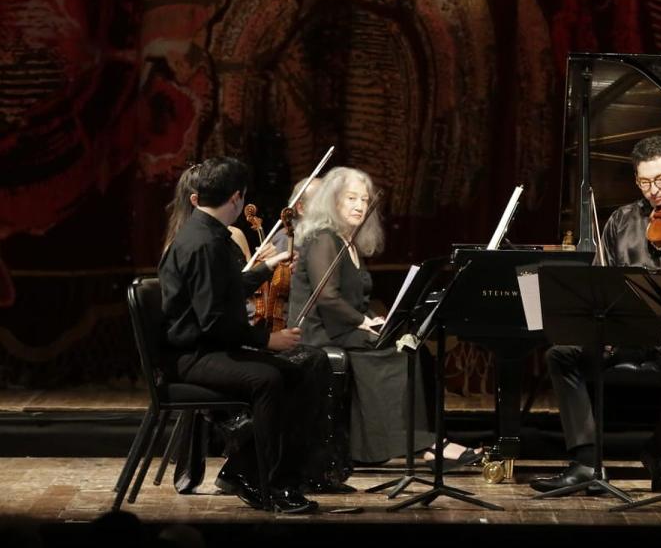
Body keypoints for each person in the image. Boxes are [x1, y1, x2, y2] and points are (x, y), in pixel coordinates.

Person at [530, 135, 661, 494]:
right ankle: (585, 461)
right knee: (561, 355)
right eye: (645, 182)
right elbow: (601, 281)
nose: (653, 190)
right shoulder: (620, 220)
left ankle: (658, 452)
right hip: (627, 334)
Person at [159, 156, 322, 514]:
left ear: (197, 197)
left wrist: (266, 267)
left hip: (205, 348)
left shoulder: (205, 236)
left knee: (298, 371)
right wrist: (267, 341)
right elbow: (214, 322)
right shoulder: (204, 245)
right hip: (193, 356)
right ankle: (272, 484)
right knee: (271, 377)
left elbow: (225, 292)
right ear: (236, 198)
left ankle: (254, 474)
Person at [288, 166, 477, 466]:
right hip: (319, 331)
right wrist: (364, 322)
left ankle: (422, 441)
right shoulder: (324, 238)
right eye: (351, 198)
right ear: (332, 201)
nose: (360, 206)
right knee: (397, 355)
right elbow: (325, 297)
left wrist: (377, 320)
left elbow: (355, 300)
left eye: (364, 200)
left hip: (342, 327)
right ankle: (415, 444)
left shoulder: (348, 242)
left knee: (412, 350)